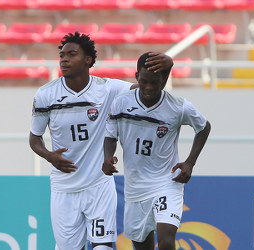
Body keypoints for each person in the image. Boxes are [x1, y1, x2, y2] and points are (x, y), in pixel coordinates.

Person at [29, 32, 174, 250]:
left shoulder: (106, 89)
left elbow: (148, 89)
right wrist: (49, 156)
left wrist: (168, 66)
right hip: (64, 188)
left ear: (88, 60)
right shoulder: (46, 95)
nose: (64, 60)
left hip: (99, 185)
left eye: (71, 54)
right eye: (62, 55)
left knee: (103, 246)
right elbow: (34, 138)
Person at [103, 52, 211, 250]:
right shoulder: (121, 102)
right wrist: (107, 157)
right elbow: (110, 135)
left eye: (155, 82)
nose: (149, 88)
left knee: (166, 240)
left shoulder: (178, 107)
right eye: (144, 81)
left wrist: (190, 163)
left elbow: (204, 127)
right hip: (135, 188)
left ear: (164, 81)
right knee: (143, 246)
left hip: (167, 182)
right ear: (136, 77)